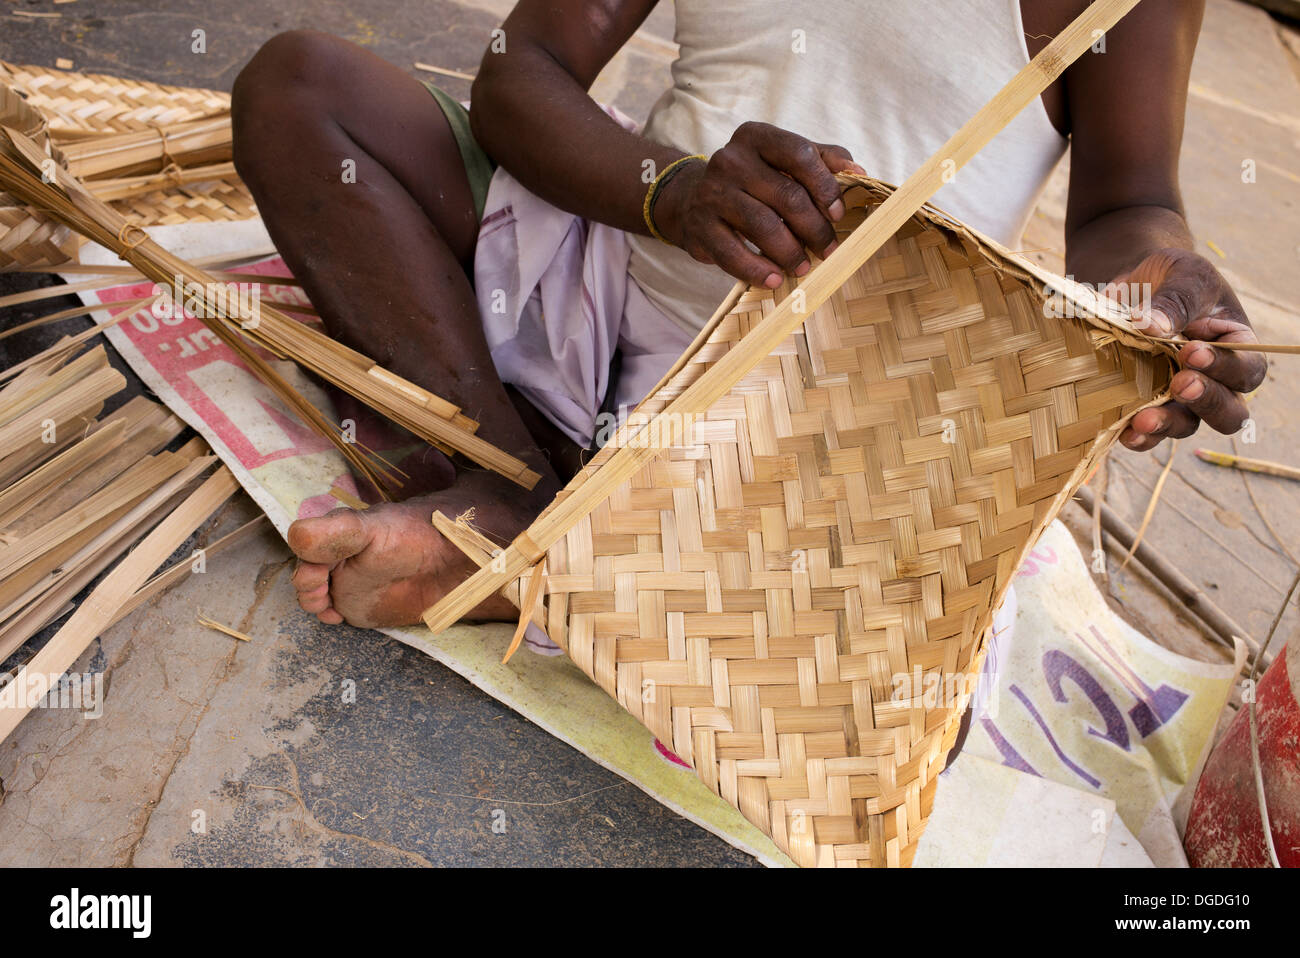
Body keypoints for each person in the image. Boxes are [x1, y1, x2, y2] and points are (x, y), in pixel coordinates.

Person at [230, 0, 1265, 631]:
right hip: (591, 291)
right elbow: (522, 72)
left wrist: (1150, 290)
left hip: (830, 434)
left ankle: (601, 544)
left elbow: (1125, 205)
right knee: (302, 89)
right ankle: (513, 496)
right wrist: (669, 191)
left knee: (886, 643)